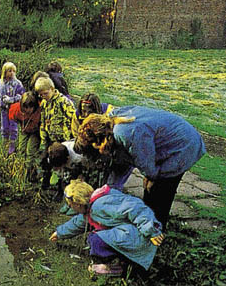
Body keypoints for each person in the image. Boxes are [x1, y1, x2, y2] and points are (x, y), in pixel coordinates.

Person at [74, 106, 206, 229]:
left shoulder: (126, 133)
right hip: (167, 141)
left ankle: (154, 233)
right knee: (150, 191)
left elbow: (144, 158)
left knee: (158, 191)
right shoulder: (111, 124)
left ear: (98, 140)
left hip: (183, 146)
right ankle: (146, 225)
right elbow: (128, 160)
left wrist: (150, 175)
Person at [49, 180, 165, 276]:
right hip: (133, 235)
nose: (70, 207)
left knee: (95, 239)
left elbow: (135, 207)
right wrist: (59, 233)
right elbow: (78, 222)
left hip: (142, 238)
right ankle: (125, 262)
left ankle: (121, 267)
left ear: (78, 203)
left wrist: (150, 231)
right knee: (98, 237)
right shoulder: (92, 205)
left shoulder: (100, 205)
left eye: (70, 205)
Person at [72, 93, 132, 191]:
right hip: (91, 144)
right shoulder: (77, 115)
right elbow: (76, 133)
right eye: (84, 111)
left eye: (90, 111)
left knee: (112, 177)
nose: (86, 114)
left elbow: (112, 141)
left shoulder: (109, 114)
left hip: (109, 147)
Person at [34, 77, 75, 191]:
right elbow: (43, 121)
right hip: (50, 139)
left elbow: (72, 118)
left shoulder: (63, 102)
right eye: (41, 95)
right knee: (47, 161)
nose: (43, 96)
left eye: (45, 93)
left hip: (63, 140)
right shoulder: (44, 103)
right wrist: (43, 138)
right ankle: (45, 183)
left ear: (52, 89)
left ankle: (61, 188)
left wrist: (69, 138)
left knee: (63, 166)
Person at [0, 62, 25, 155]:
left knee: (13, 127)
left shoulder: (17, 83)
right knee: (4, 127)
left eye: (14, 71)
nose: (12, 73)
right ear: (4, 72)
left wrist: (12, 99)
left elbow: (22, 96)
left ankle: (12, 145)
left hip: (13, 110)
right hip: (4, 110)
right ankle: (4, 144)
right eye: (10, 71)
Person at [8, 91, 41, 181]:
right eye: (26, 107)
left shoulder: (39, 110)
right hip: (24, 130)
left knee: (30, 151)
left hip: (35, 132)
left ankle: (30, 174)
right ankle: (21, 172)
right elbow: (14, 120)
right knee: (21, 149)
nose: (28, 110)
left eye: (31, 107)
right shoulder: (15, 109)